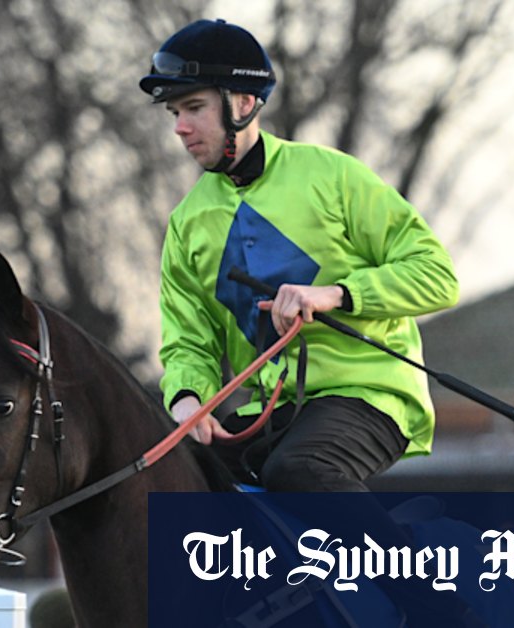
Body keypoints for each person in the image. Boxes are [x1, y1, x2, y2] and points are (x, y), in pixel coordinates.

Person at [141, 18, 459, 493]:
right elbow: (189, 341)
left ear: (243, 103)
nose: (181, 128)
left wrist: (336, 294)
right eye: (174, 113)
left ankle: (400, 569)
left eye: (194, 108)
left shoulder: (331, 176)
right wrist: (188, 397)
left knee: (297, 471)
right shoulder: (187, 223)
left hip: (367, 394)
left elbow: (437, 276)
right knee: (179, 483)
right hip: (275, 410)